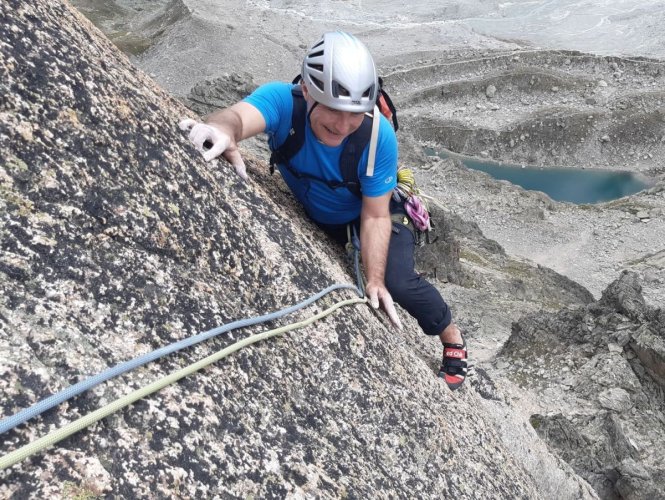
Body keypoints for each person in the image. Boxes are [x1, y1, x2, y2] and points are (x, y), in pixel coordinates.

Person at [180, 31, 468, 389]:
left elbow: (376, 215)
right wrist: (221, 129)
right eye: (334, 109)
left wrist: (375, 279)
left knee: (398, 282)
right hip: (328, 216)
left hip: (379, 214)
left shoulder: (377, 137)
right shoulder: (283, 102)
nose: (344, 125)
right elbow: (237, 118)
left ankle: (451, 337)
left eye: (355, 114)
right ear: (309, 91)